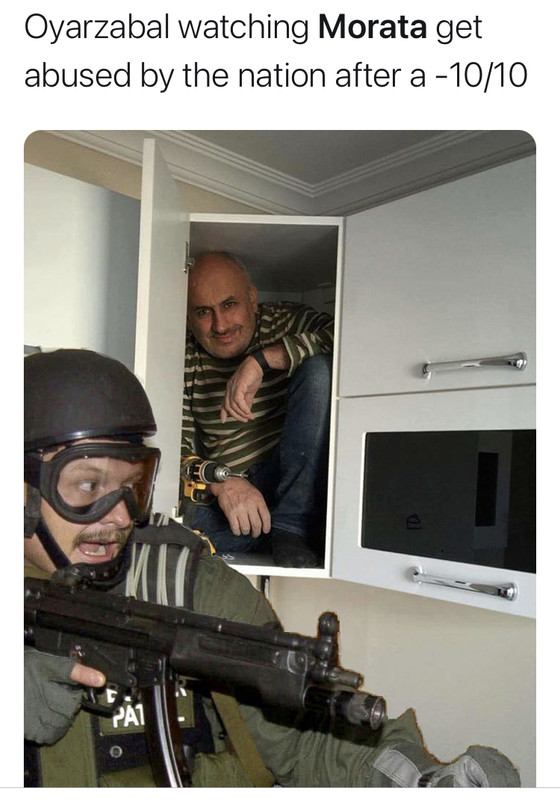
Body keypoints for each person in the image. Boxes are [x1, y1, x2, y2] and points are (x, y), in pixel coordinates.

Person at [24, 349, 521, 787]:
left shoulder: (186, 586)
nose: (118, 516)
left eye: (131, 486)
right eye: (87, 487)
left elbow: (308, 741)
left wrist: (420, 780)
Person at [182, 251, 334, 568]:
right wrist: (222, 481)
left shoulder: (285, 321)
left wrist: (262, 361)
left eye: (229, 304)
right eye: (204, 312)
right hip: (233, 497)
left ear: (252, 299)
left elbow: (353, 337)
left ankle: (292, 527)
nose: (220, 325)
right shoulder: (182, 356)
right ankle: (285, 536)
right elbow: (173, 449)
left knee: (321, 370)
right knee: (175, 531)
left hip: (296, 479)